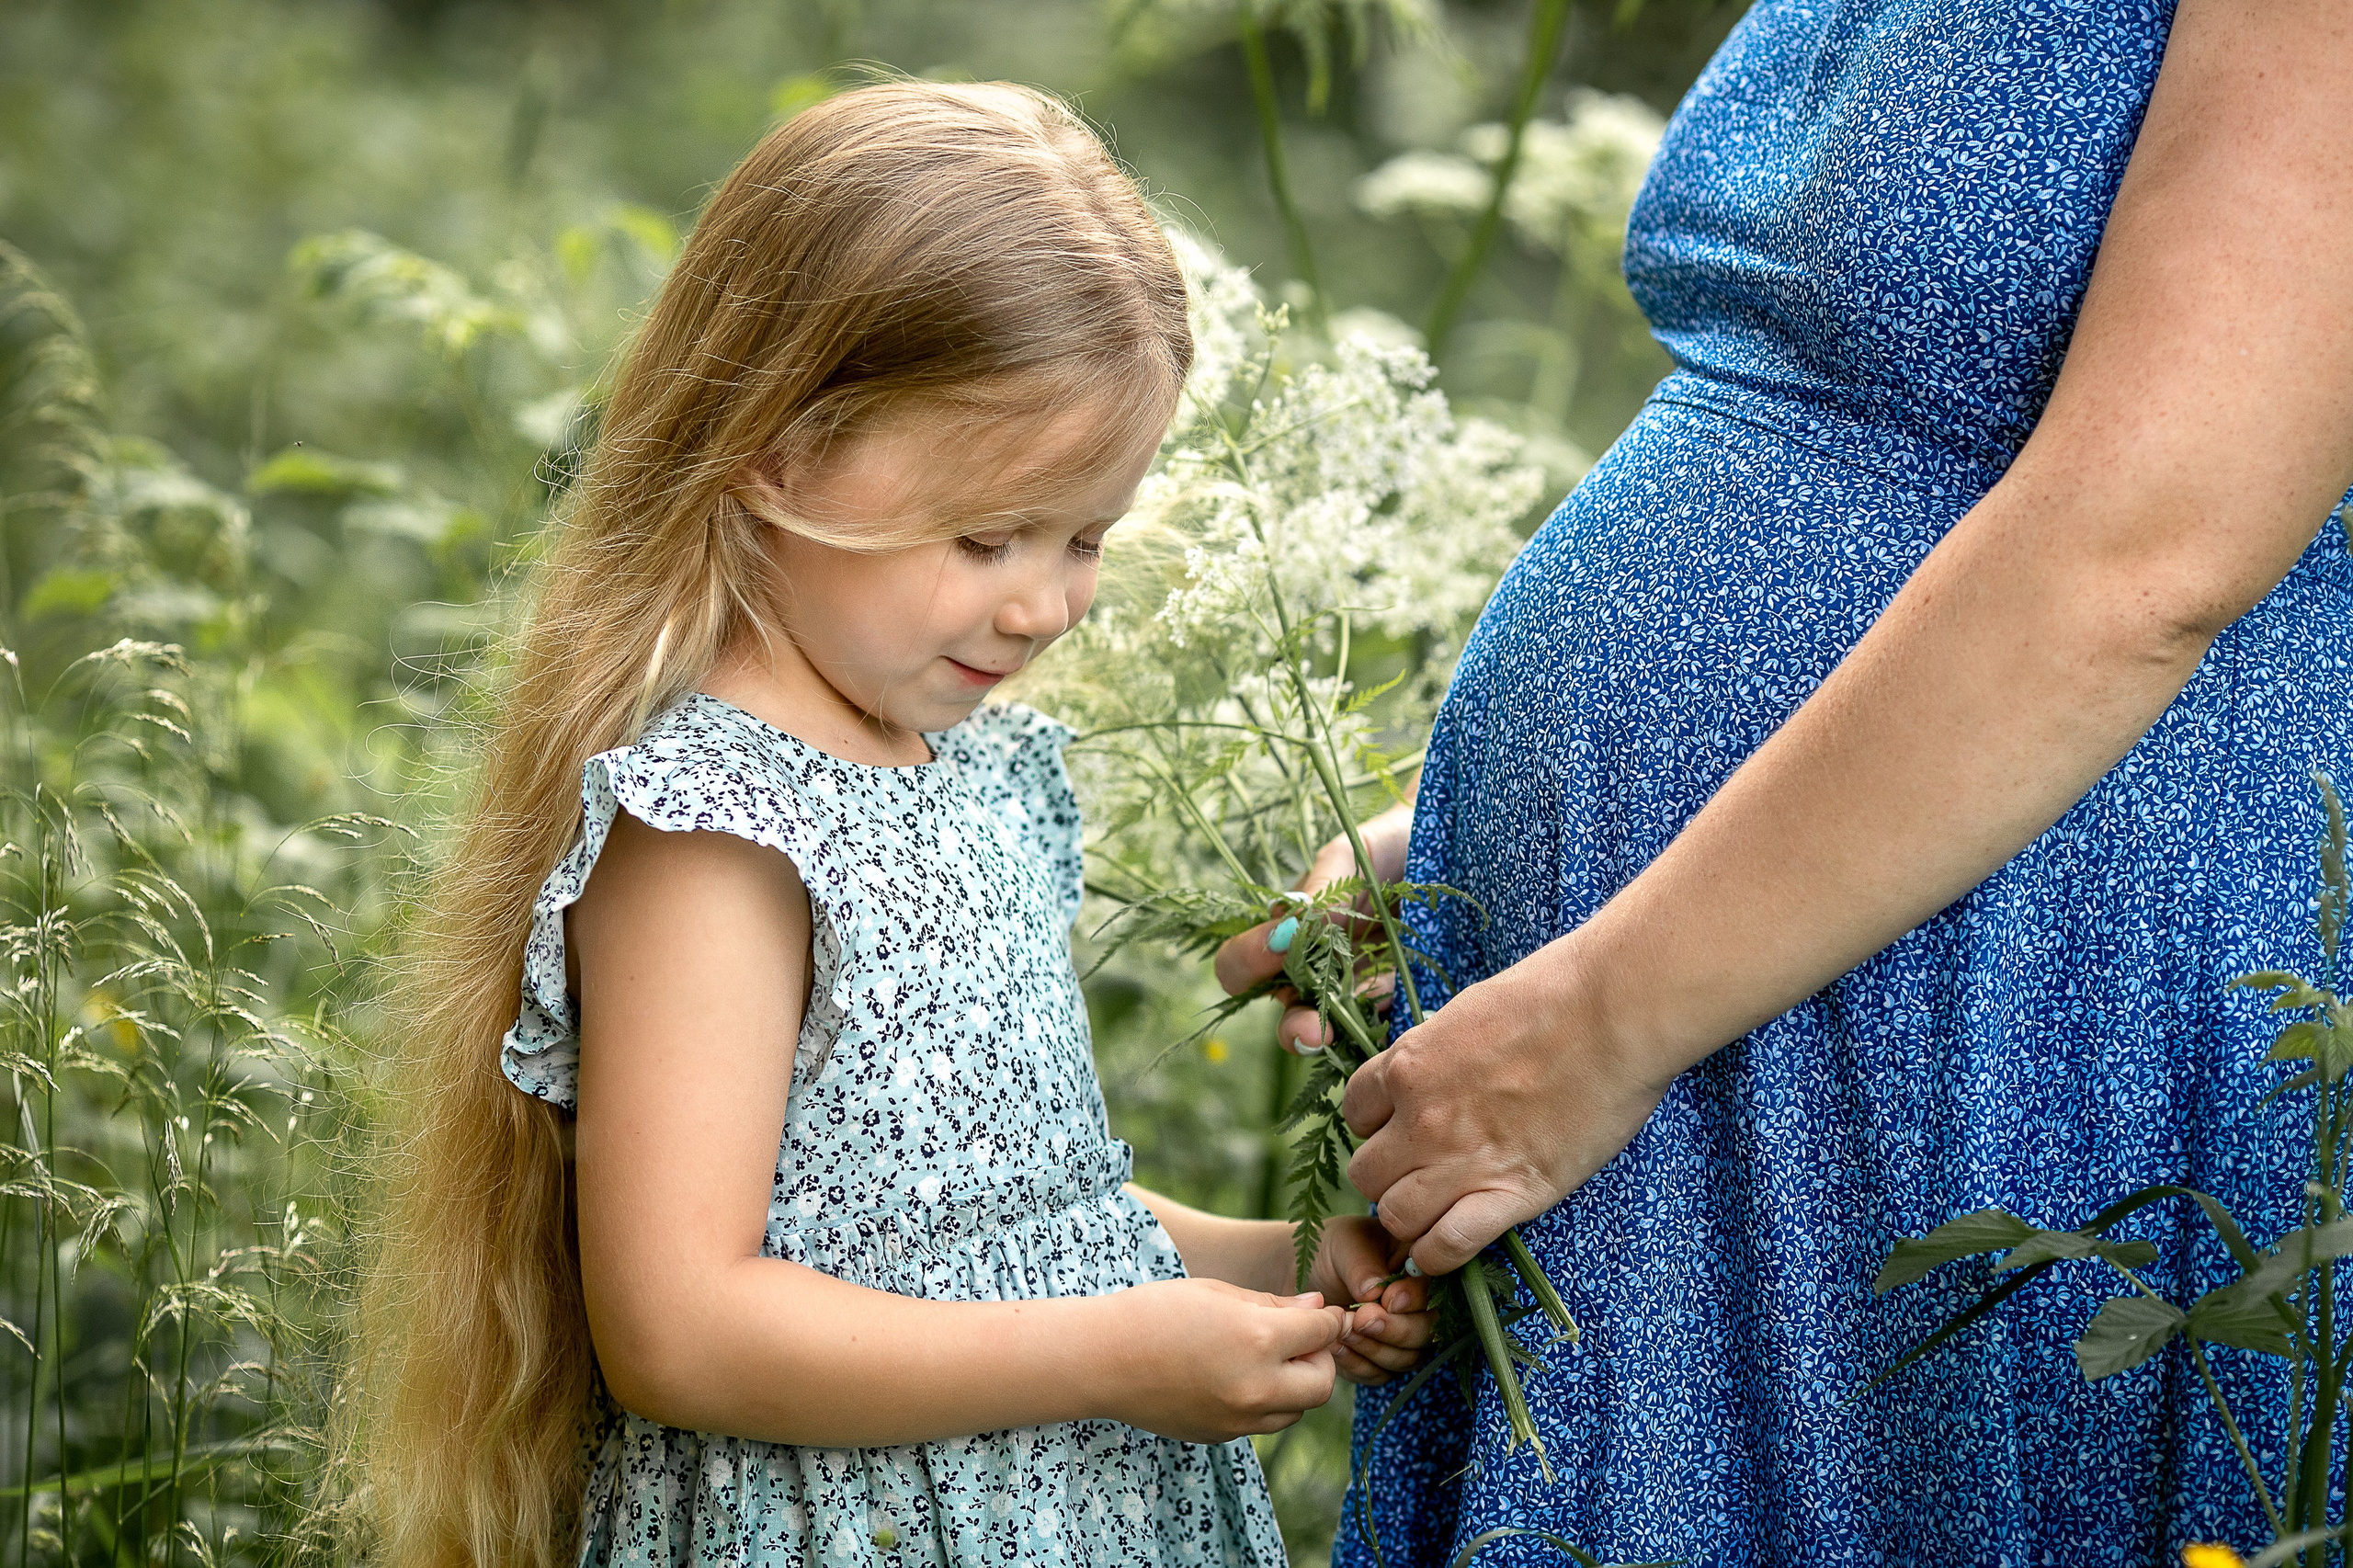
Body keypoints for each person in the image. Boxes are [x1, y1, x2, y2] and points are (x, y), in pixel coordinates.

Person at [1218, 0, 2353, 1562]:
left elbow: (2152, 547)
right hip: (1737, 962)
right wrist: (1500, 837)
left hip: (1997, 990)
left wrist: (1591, 1017)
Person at [348, 81, 1435, 1568]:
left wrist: (1281, 1267)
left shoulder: (964, 765)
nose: (1044, 604)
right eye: (987, 537)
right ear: (778, 447)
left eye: (1086, 537)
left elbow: (993, 1219)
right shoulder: (718, 831)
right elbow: (680, 1326)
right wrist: (1117, 1351)